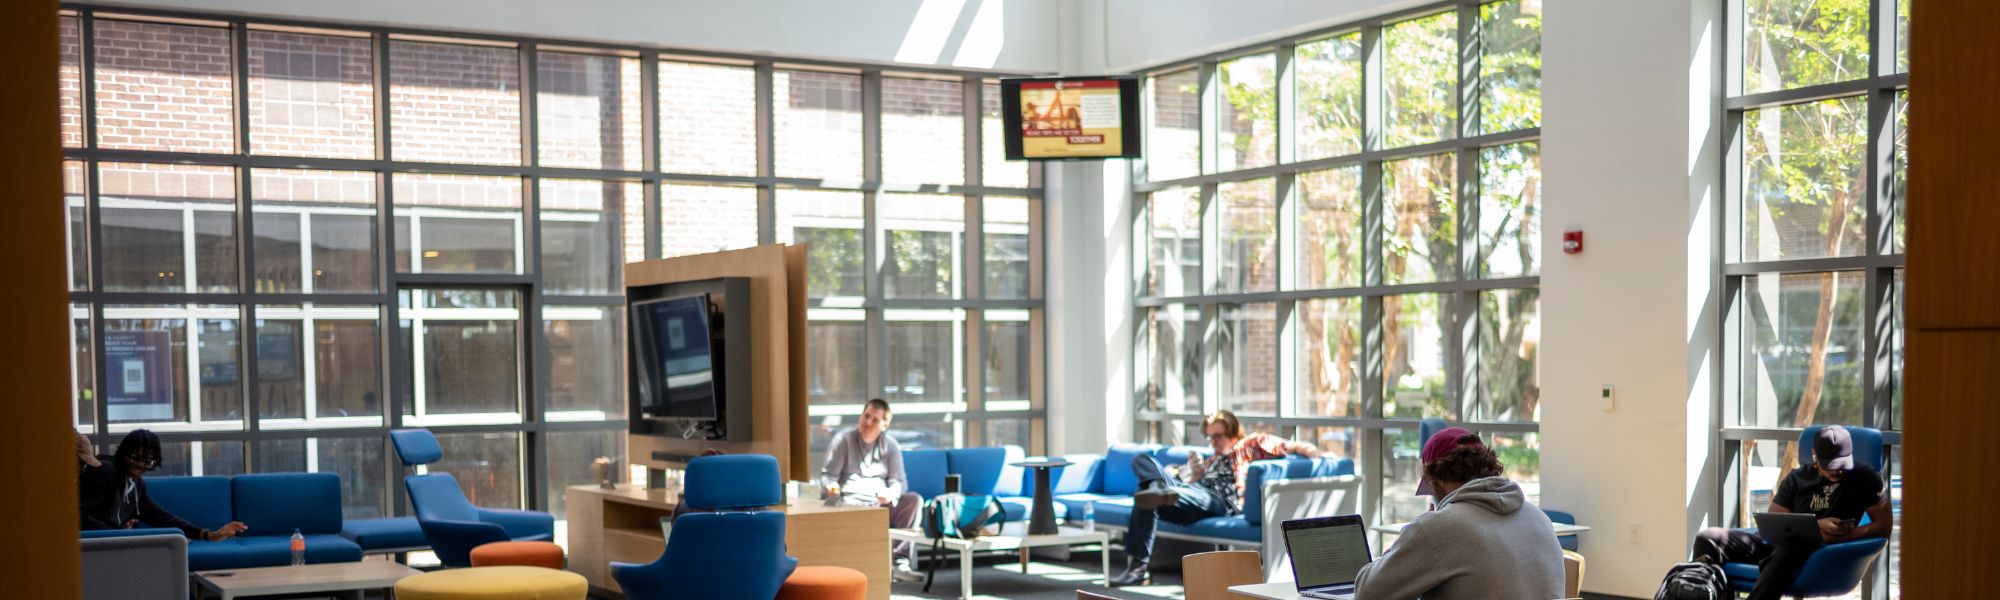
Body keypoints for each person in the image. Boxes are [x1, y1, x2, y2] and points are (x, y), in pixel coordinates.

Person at [1351, 427, 1564, 600]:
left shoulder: (1439, 527)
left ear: (1434, 479)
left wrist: (1415, 535)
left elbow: (1367, 593)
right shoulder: (1539, 518)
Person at [1111, 410, 1320, 586]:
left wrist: (1321, 459)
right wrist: (1194, 474)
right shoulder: (1210, 460)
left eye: (1218, 436)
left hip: (1217, 500)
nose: (1213, 442)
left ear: (1233, 432)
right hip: (1190, 496)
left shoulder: (1248, 445)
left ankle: (1138, 568)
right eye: (1210, 437)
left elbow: (1293, 446)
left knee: (1146, 494)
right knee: (1142, 464)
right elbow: (1184, 480)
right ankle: (1157, 490)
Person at [1689, 425, 1891, 600]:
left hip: (1819, 552)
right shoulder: (1797, 478)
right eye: (1830, 465)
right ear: (1815, 455)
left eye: (1842, 464)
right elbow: (1775, 521)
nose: (1837, 471)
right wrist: (1816, 526)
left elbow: (1883, 526)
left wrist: (1844, 536)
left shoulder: (1865, 479)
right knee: (1709, 538)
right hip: (1780, 543)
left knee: (1791, 549)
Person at [819, 398, 924, 582]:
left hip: (879, 503)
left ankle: (900, 562)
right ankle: (858, 565)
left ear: (885, 424)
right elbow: (828, 476)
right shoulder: (843, 440)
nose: (867, 422)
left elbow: (899, 482)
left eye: (874, 420)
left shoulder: (891, 445)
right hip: (849, 502)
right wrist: (831, 487)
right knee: (835, 505)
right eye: (866, 416)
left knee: (914, 501)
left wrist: (891, 493)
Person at [79, 429, 247, 542]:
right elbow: (78, 515)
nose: (139, 464)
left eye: (147, 461)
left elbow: (158, 516)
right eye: (134, 457)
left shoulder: (135, 484)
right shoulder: (106, 470)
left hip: (107, 545)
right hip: (92, 546)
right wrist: (115, 536)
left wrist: (207, 534)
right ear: (123, 452)